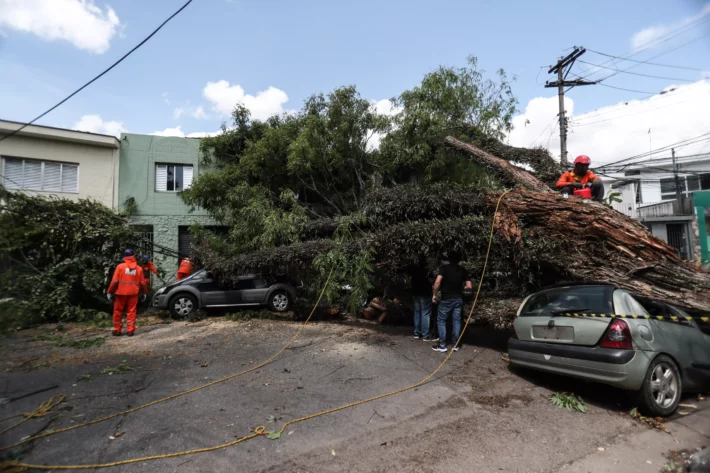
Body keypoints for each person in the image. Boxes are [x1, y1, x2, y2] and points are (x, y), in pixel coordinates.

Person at [432, 251, 472, 353]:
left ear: (449, 259)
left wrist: (434, 294)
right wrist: (461, 288)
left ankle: (443, 345)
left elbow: (437, 282)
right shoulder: (463, 270)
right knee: (456, 321)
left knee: (441, 321)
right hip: (458, 298)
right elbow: (469, 286)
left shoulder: (444, 268)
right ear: (459, 259)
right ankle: (455, 345)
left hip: (446, 298)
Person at [107, 249, 147, 337]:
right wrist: (144, 292)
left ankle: (117, 330)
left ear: (124, 257)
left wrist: (110, 291)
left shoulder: (120, 267)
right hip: (133, 294)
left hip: (121, 294)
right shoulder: (139, 268)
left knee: (117, 311)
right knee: (131, 312)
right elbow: (143, 283)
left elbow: (114, 281)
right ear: (133, 256)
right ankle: (130, 331)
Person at [406, 255, 436, 342]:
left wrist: (409, 282)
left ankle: (416, 333)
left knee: (417, 312)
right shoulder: (428, 269)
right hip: (425, 292)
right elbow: (432, 280)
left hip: (415, 292)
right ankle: (425, 335)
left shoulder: (414, 267)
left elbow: (405, 272)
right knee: (425, 313)